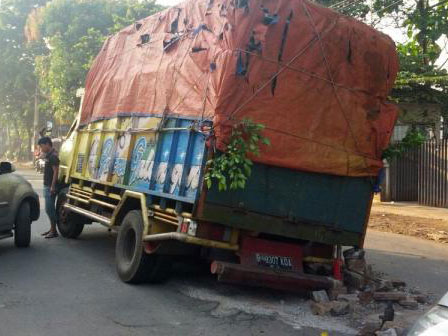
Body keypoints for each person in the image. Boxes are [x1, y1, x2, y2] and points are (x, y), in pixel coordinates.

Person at [38, 137, 60, 239]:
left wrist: (52, 186)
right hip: (47, 185)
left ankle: (54, 231)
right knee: (49, 209)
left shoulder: (53, 157)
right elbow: (42, 156)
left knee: (49, 209)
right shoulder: (49, 154)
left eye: (42, 146)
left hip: (50, 186)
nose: (41, 148)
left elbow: (56, 171)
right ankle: (52, 229)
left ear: (47, 144)